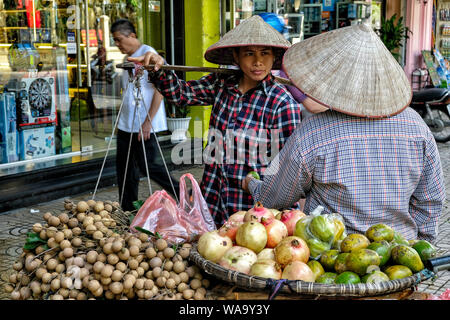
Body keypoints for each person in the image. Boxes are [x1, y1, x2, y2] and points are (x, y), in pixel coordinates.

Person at [243, 24, 445, 242]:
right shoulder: (417, 126)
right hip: (399, 256)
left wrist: (252, 185)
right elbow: (430, 201)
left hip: (332, 261)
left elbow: (274, 197)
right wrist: (420, 246)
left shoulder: (312, 132)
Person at [128, 15, 302, 226]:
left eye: (265, 53)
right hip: (214, 197)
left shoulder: (282, 103)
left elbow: (289, 169)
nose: (258, 62)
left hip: (252, 212)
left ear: (274, 57)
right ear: (236, 58)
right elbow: (182, 93)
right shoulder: (221, 84)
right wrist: (159, 68)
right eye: (249, 54)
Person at [111, 19, 180, 212]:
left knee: (147, 165)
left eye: (118, 39)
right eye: (114, 41)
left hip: (145, 124)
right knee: (124, 170)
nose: (117, 44)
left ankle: (183, 194)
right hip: (127, 124)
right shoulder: (130, 58)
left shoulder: (150, 55)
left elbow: (160, 90)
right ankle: (128, 210)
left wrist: (148, 121)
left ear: (132, 36)